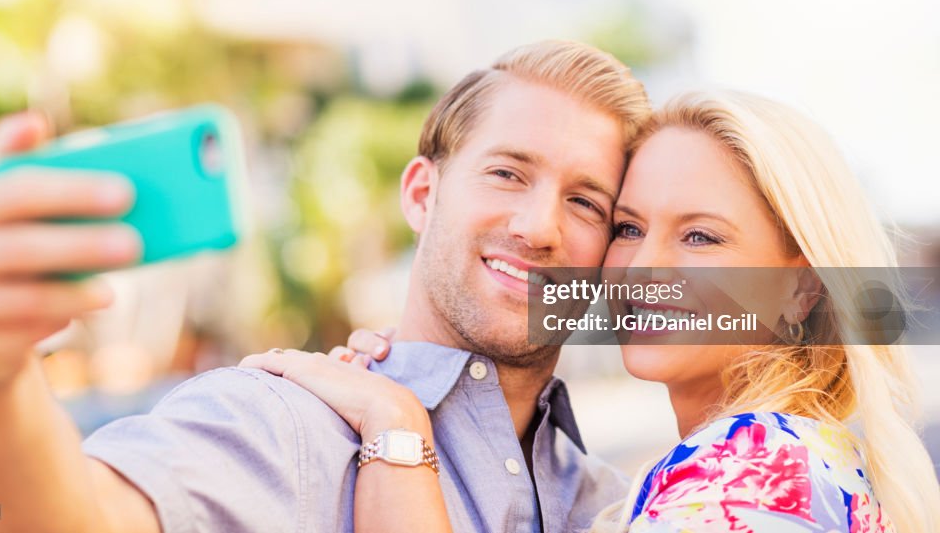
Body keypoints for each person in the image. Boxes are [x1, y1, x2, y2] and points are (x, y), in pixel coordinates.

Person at [0, 40, 650, 532]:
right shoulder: (285, 420)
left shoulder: (616, 502)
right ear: (422, 195)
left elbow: (764, 308)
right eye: (507, 172)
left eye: (586, 202)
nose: (539, 225)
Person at [241, 91, 940, 532]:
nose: (641, 268)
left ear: (803, 288)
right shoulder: (787, 461)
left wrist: (395, 425)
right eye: (629, 227)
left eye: (700, 236)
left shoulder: (756, 479)